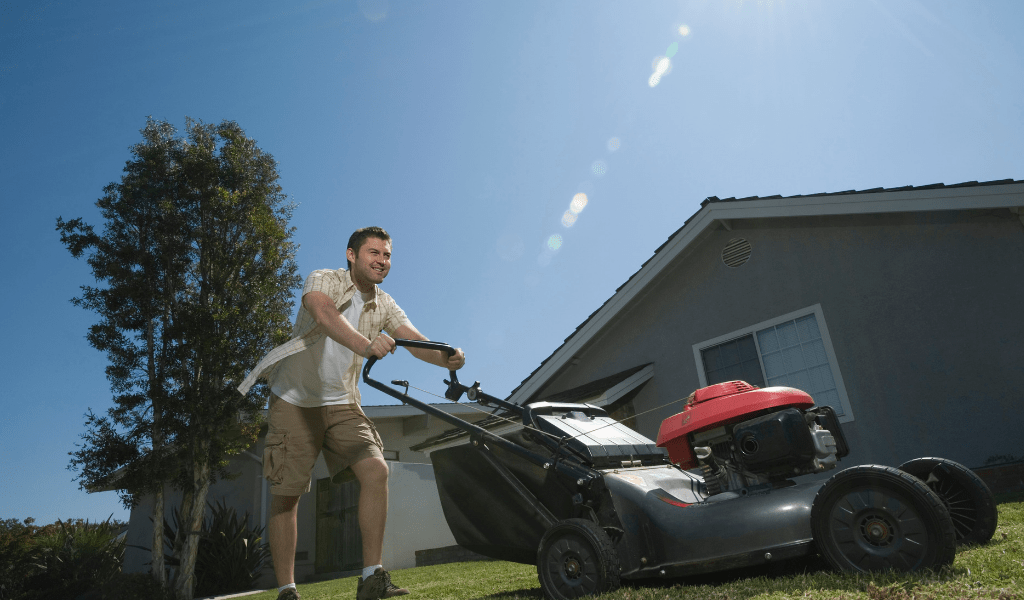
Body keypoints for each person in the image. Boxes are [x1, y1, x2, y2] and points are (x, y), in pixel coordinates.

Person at [237, 226, 466, 600]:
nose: (382, 261)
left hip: (341, 401)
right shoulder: (324, 280)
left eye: (387, 255)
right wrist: (366, 345)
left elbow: (415, 341)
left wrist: (448, 356)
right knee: (287, 495)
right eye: (374, 253)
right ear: (351, 255)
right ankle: (286, 590)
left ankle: (372, 578)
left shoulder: (385, 304)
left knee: (376, 469)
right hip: (294, 399)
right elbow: (323, 313)